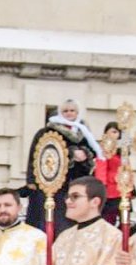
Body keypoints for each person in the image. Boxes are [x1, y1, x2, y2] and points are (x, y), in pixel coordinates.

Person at [23, 99, 98, 234]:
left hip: (76, 182)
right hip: (52, 183)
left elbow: (94, 154)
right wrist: (69, 153)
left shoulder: (84, 133)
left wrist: (86, 154)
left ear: (77, 113)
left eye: (72, 111)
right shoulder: (47, 131)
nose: (69, 113)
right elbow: (36, 155)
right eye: (65, 111)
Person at [95, 122, 122, 224]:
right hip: (110, 189)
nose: (115, 134)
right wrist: (101, 186)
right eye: (113, 131)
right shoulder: (104, 148)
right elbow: (101, 167)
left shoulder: (122, 148)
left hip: (121, 187)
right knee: (108, 218)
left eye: (117, 132)